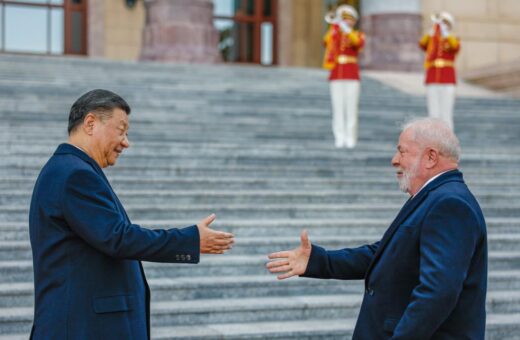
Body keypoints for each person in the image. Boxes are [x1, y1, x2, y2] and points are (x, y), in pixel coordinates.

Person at [29, 89, 235, 339]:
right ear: (91, 123)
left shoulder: (70, 169)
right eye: (121, 130)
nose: (126, 142)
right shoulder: (74, 174)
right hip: (82, 328)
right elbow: (118, 238)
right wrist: (190, 240)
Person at [267, 118, 487, 339]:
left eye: (402, 152)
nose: (394, 160)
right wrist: (319, 261)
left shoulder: (449, 204)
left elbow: (438, 293)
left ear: (430, 157)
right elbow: (385, 254)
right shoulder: (435, 197)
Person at [323, 5, 365, 148]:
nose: (345, 22)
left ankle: (351, 137)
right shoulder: (335, 35)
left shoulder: (357, 34)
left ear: (354, 21)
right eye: (344, 19)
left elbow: (358, 43)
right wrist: (335, 26)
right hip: (336, 74)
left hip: (352, 75)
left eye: (348, 20)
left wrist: (346, 29)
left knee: (351, 108)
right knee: (338, 108)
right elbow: (326, 42)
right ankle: (339, 137)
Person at [419, 12, 461, 130]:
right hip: (433, 77)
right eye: (441, 22)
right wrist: (430, 32)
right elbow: (422, 45)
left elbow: (455, 47)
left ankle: (448, 143)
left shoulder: (452, 39)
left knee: (446, 114)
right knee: (433, 113)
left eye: (445, 22)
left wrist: (446, 34)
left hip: (448, 78)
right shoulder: (433, 40)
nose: (442, 25)